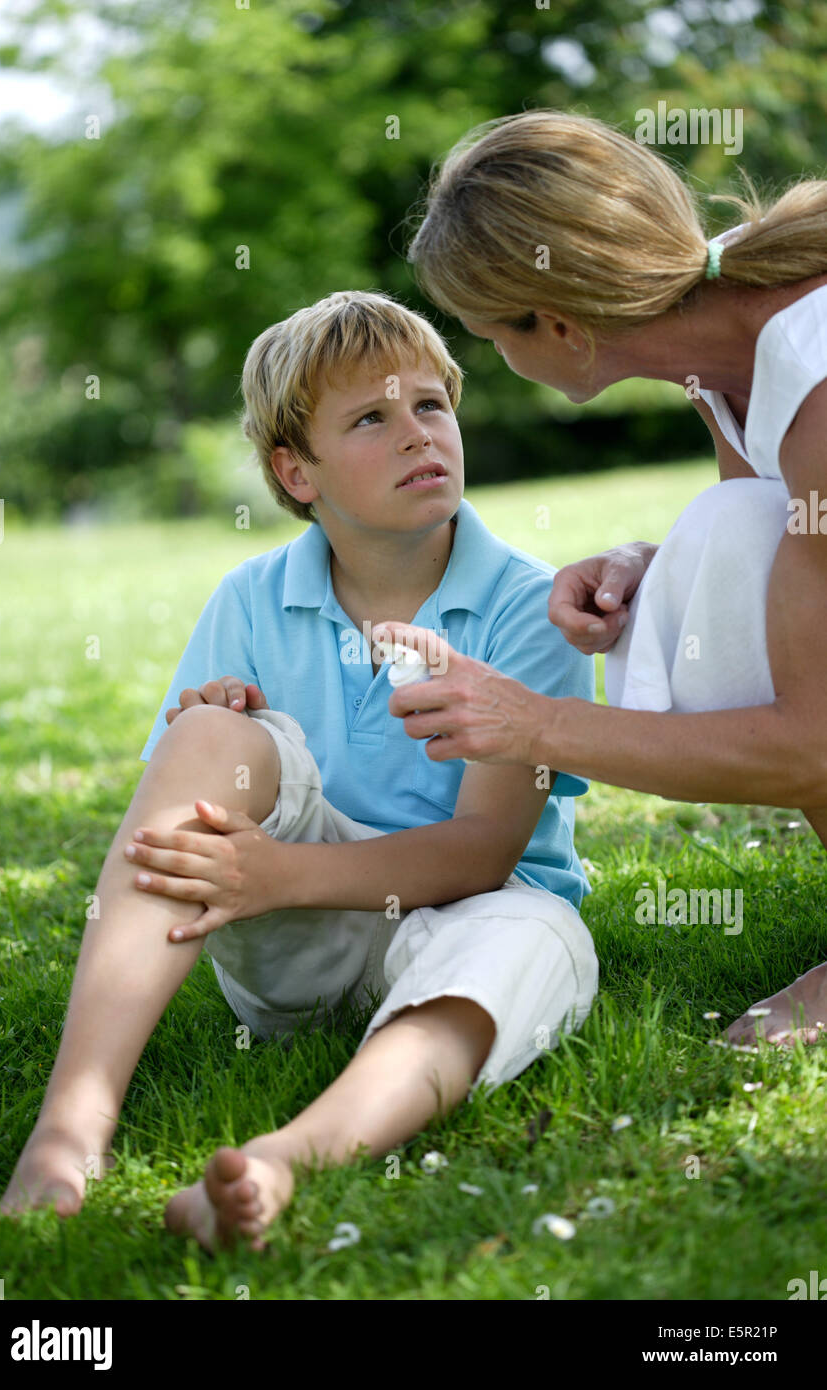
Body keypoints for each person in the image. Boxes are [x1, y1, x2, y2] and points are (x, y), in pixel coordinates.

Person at [0, 290, 597, 1252]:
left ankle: (284, 1161)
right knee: (208, 736)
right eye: (371, 418)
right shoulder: (250, 597)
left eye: (431, 405)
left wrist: (278, 875)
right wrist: (223, 746)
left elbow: (486, 852)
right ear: (294, 471)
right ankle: (70, 1130)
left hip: (470, 916)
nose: (416, 435)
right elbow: (191, 806)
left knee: (536, 932)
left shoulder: (530, 605)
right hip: (297, 943)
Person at [374, 109, 827, 1047]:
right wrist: (643, 568)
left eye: (492, 334)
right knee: (721, 537)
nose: (497, 363)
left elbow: (815, 743)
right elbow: (777, 556)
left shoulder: (813, 370)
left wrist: (533, 723)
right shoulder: (724, 330)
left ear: (559, 323)